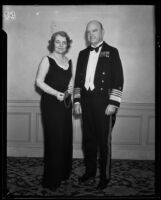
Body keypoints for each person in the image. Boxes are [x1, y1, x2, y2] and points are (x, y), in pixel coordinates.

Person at [73, 20, 124, 190]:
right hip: (86, 102)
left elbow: (119, 80)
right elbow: (78, 81)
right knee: (88, 141)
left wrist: (113, 103)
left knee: (104, 142)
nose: (91, 35)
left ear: (103, 31)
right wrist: (77, 101)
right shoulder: (82, 53)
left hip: (104, 103)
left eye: (94, 31)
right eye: (88, 32)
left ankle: (105, 176)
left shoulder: (112, 52)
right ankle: (90, 171)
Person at [35, 31, 73, 190]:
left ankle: (63, 173)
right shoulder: (47, 59)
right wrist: (56, 93)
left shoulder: (69, 61)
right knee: (54, 140)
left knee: (65, 138)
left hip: (66, 103)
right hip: (51, 104)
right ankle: (51, 179)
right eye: (58, 42)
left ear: (67, 44)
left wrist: (70, 89)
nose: (61, 45)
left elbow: (71, 79)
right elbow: (39, 82)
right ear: (52, 43)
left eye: (64, 42)